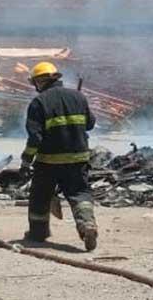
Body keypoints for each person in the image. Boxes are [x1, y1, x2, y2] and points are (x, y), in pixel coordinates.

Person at [20, 61, 99, 251]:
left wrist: (26, 160)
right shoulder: (78, 97)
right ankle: (87, 224)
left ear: (39, 82)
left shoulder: (39, 102)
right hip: (78, 159)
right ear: (55, 78)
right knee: (80, 194)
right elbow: (90, 124)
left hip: (48, 162)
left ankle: (38, 234)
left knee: (40, 197)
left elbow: (35, 138)